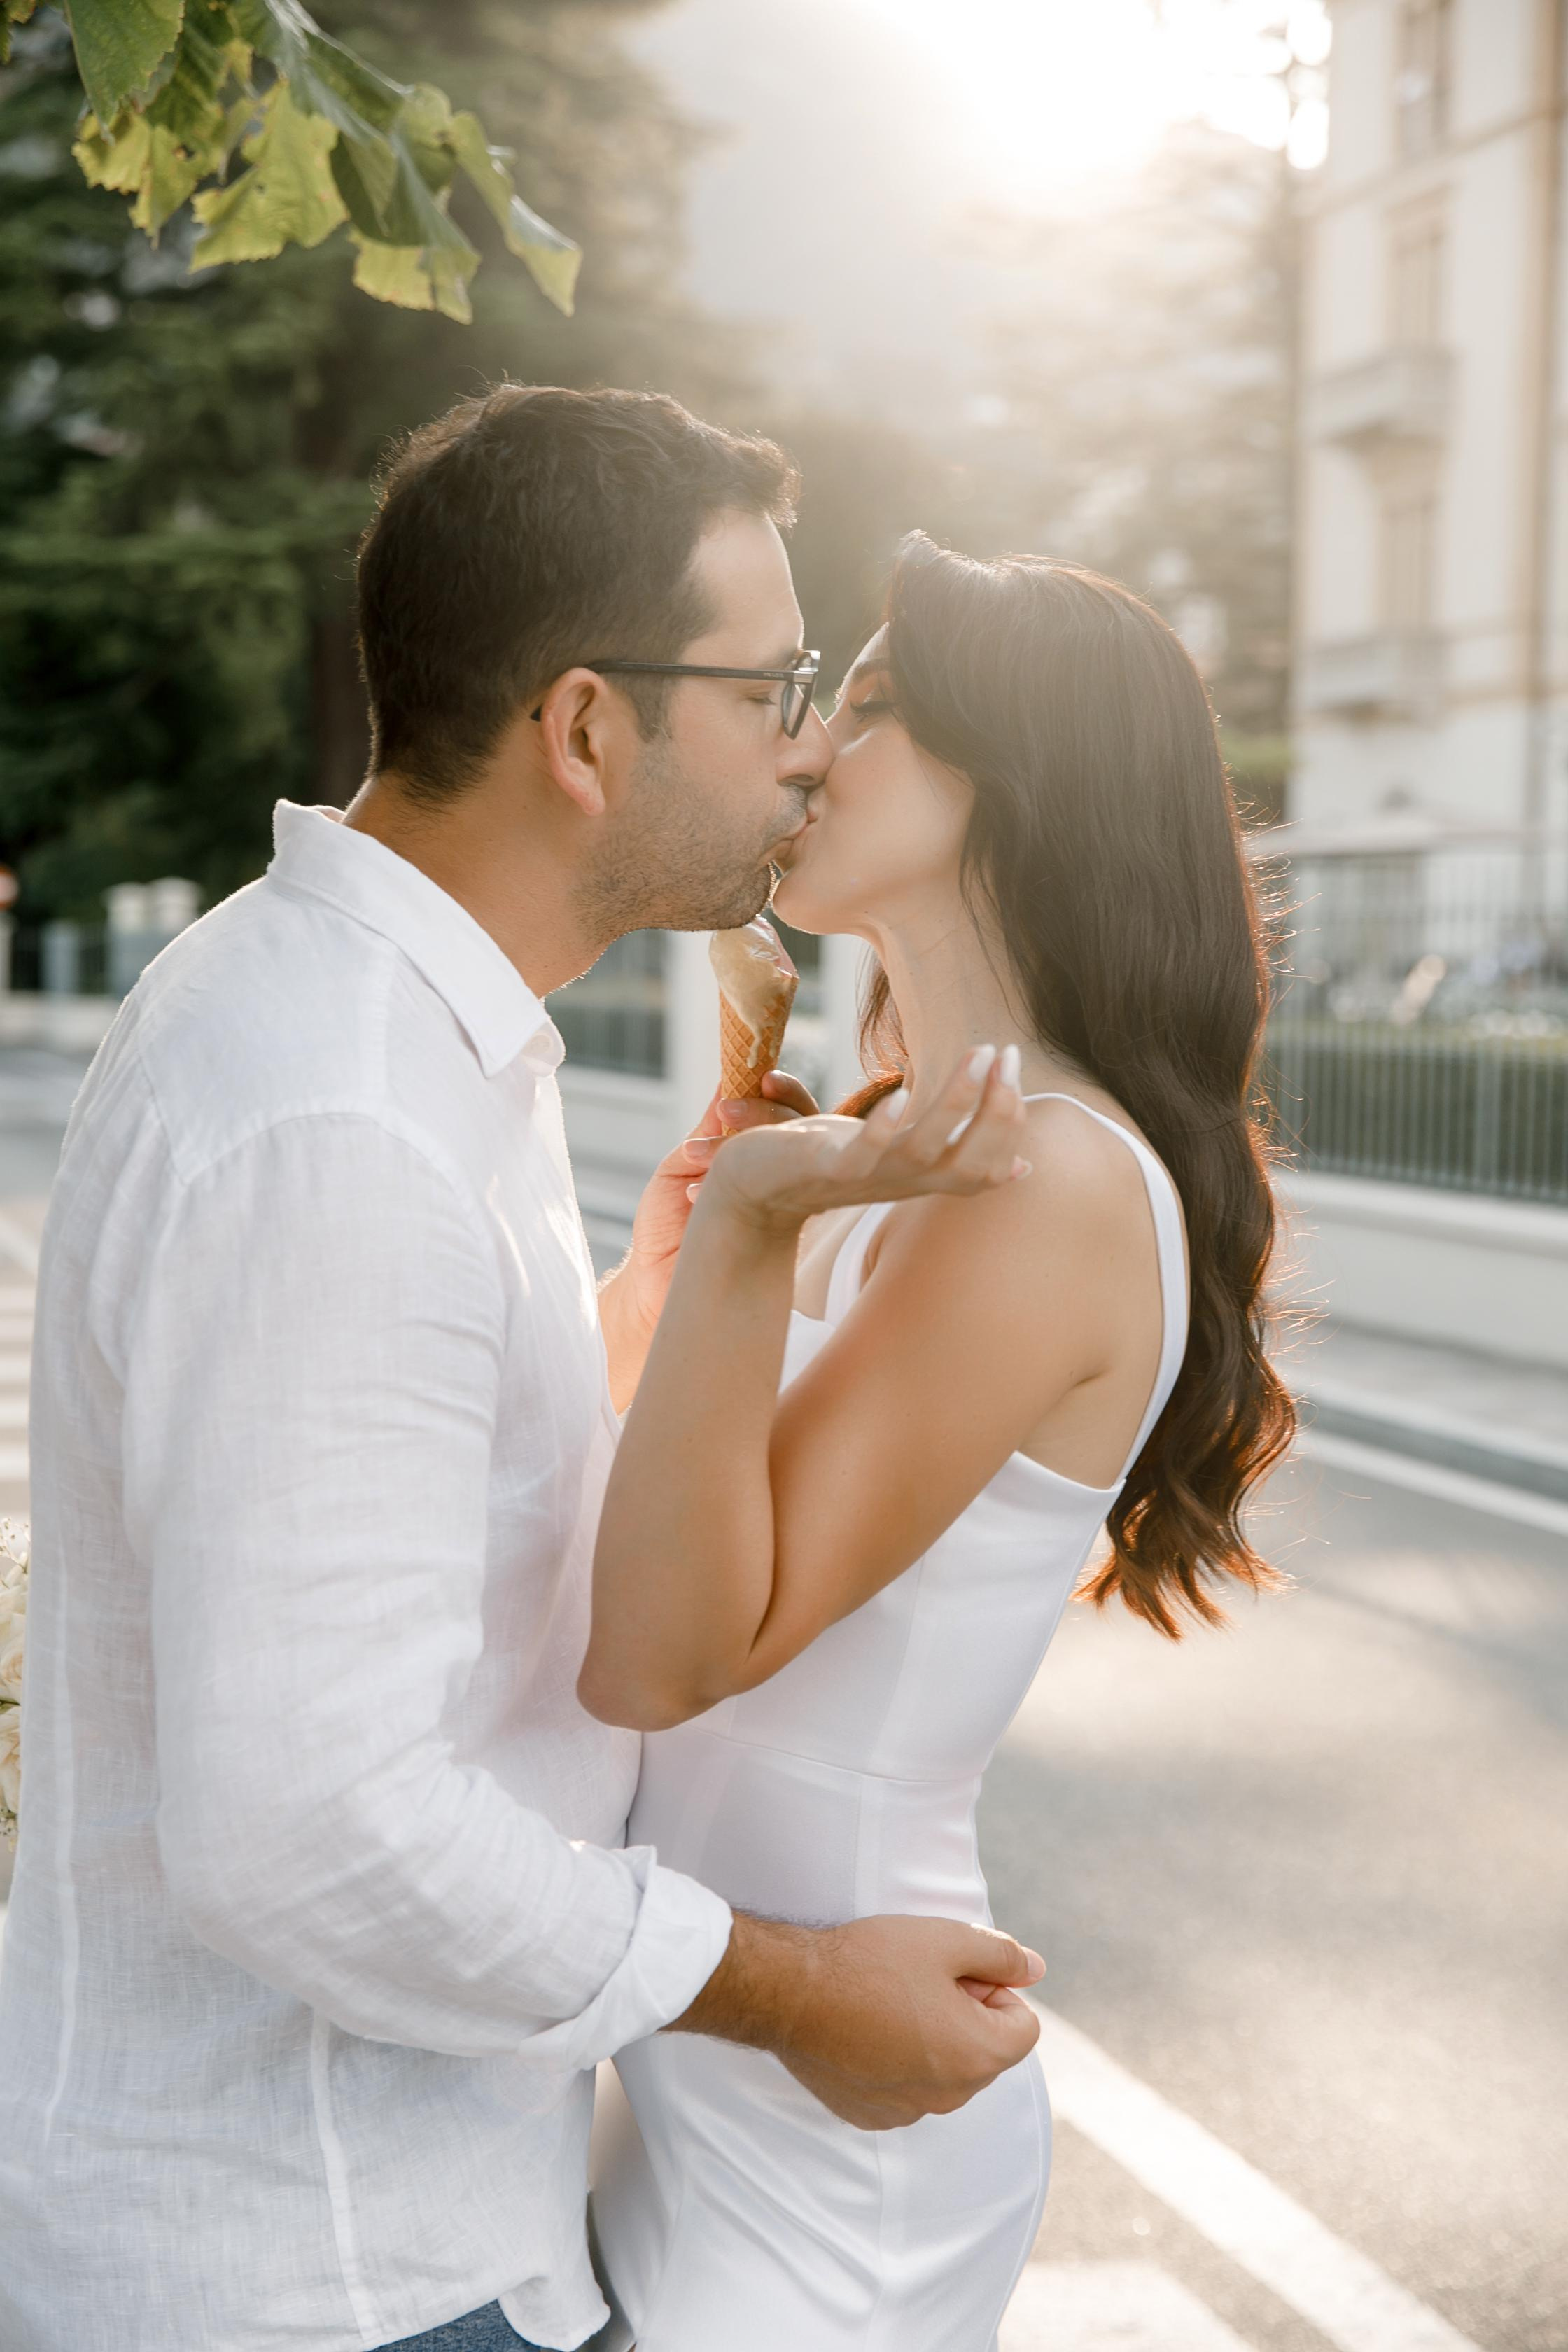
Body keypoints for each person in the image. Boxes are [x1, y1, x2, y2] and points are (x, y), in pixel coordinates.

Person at [0, 393, 1046, 2352]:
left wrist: (635, 1309)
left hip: (389, 2238)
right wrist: (806, 1999)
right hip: (321, 2276)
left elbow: (414, 1508)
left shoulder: (372, 1018)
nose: (807, 745)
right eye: (772, 688)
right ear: (584, 730)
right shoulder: (346, 1116)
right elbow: (316, 1830)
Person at [584, 535, 1296, 2351]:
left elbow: (666, 1656)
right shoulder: (909, 1146)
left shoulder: (1043, 1181)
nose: (808, 749)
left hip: (834, 2120)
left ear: (1023, 779)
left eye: (879, 706)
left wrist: (751, 1233)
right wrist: (675, 1287)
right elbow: (644, 1516)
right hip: (727, 2047)